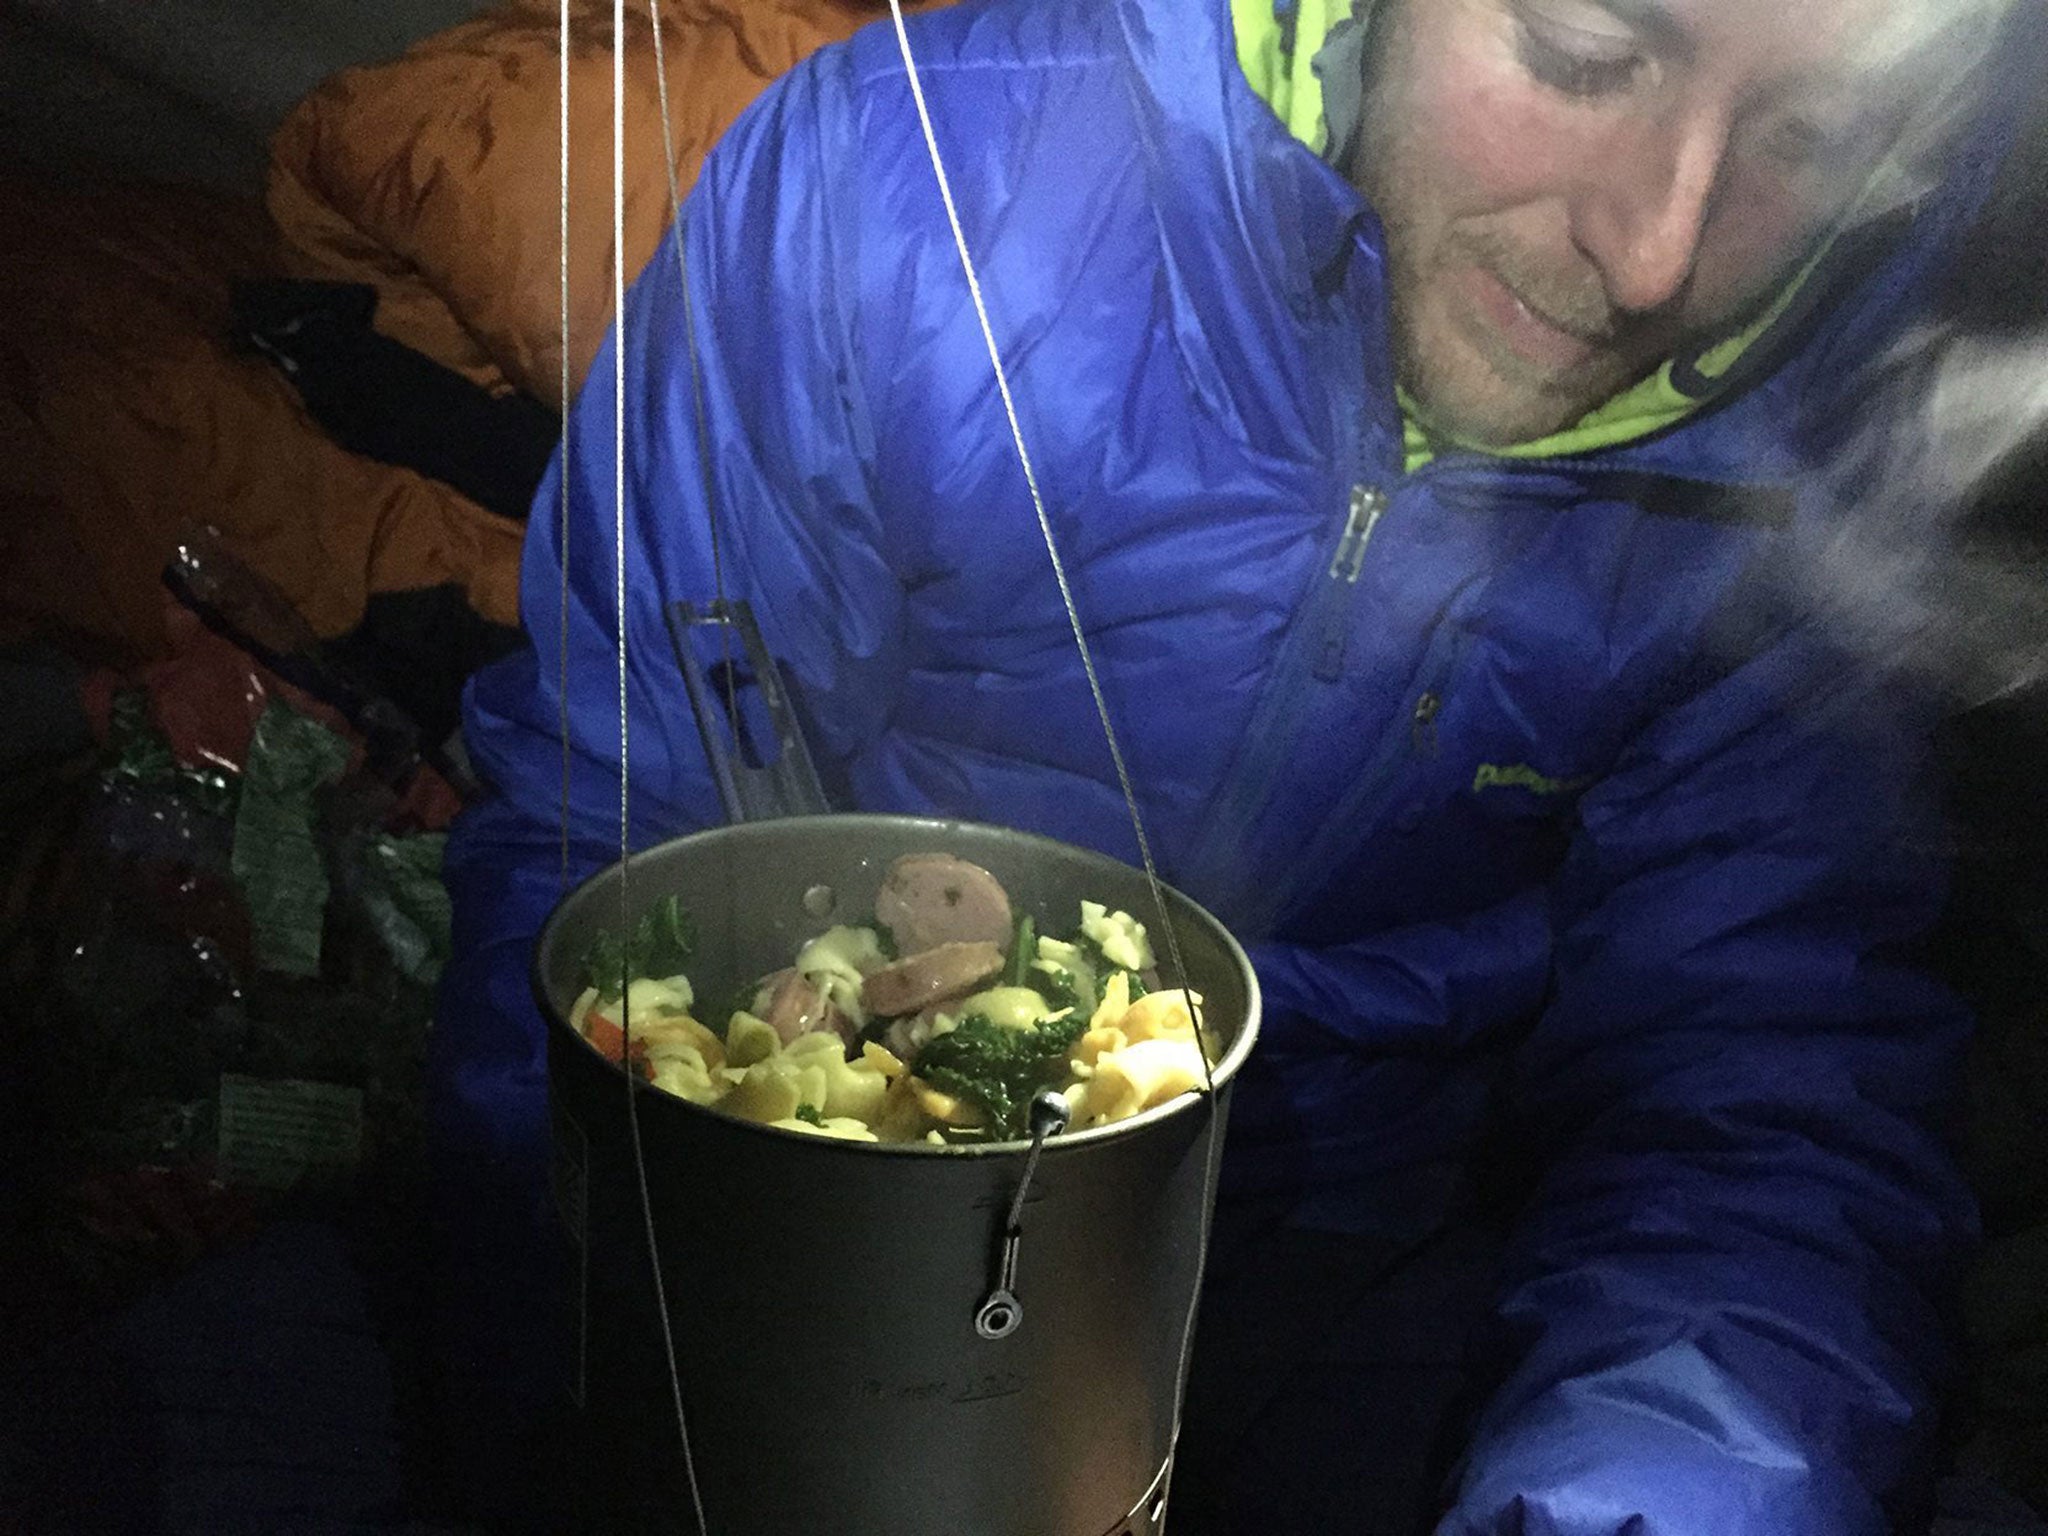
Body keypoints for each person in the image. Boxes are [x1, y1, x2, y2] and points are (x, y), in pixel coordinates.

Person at [431, 0, 2042, 1530]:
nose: (1654, 256)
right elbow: (620, 816)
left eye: (1810, 139)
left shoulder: (1825, 469)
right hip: (835, 1204)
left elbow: (1758, 1090)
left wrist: (1645, 1491)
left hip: (1372, 1239)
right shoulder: (905, 189)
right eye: (1582, 53)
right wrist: (634, 1335)